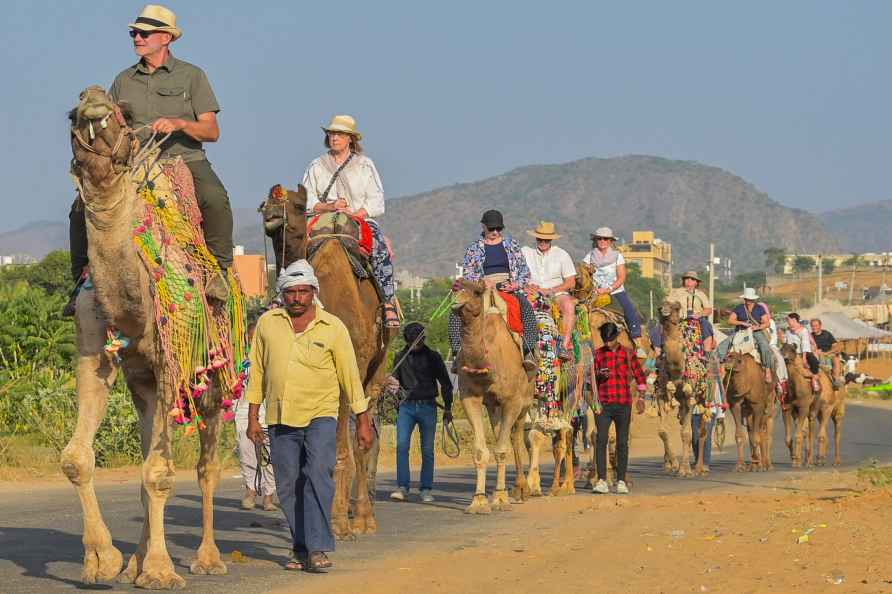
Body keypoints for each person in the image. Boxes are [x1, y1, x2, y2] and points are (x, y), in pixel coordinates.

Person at [66, 4, 234, 315]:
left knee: (216, 198)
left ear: (166, 37)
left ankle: (219, 272)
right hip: (134, 165)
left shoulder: (192, 76)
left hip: (184, 158)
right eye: (134, 33)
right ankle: (81, 280)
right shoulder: (123, 79)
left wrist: (181, 123)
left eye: (144, 33)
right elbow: (113, 129)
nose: (137, 37)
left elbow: (212, 130)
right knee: (80, 208)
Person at [246, 260, 374, 573]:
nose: (297, 298)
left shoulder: (333, 327)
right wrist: (252, 417)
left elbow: (350, 376)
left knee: (317, 475)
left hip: (321, 414)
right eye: (291, 292)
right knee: (288, 486)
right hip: (279, 415)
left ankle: (317, 548)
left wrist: (362, 419)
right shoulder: (267, 323)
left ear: (314, 292)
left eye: (304, 291)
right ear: (283, 293)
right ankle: (300, 546)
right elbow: (258, 372)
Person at [301, 115, 398, 327]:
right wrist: (329, 206)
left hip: (357, 219)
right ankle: (285, 293)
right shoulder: (316, 165)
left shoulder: (365, 165)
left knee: (379, 247)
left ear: (350, 139)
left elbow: (376, 200)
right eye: (331, 133)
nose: (334, 137)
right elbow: (306, 198)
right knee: (295, 245)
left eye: (340, 134)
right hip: (323, 219)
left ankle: (388, 301)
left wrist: (355, 215)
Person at [450, 209, 538, 371]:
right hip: (481, 289)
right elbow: (469, 273)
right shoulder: (474, 248)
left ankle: (528, 350)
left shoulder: (512, 245)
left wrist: (514, 284)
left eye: (498, 228)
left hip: (507, 287)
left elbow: (524, 272)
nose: (495, 232)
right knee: (457, 310)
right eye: (491, 229)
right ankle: (457, 352)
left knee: (525, 306)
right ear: (483, 227)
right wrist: (481, 282)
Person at [388, 322, 454, 503]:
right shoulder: (400, 357)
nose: (415, 344)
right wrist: (391, 388)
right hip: (406, 408)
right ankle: (402, 487)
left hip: (428, 407)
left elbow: (446, 384)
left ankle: (425, 489)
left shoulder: (433, 357)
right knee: (402, 446)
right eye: (412, 341)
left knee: (427, 450)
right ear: (407, 340)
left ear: (424, 339)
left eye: (419, 340)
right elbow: (395, 385)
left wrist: (448, 407)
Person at [591, 322, 647, 495]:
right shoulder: (598, 355)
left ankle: (621, 480)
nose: (607, 343)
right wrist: (599, 377)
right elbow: (590, 379)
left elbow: (640, 376)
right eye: (605, 340)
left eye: (610, 339)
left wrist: (642, 398)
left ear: (616, 337)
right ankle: (601, 480)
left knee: (622, 443)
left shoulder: (628, 354)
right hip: (604, 405)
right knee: (601, 441)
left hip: (623, 404)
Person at [582, 227, 646, 357]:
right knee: (579, 311)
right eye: (599, 238)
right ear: (595, 240)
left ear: (611, 241)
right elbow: (583, 273)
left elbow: (621, 277)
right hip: (594, 292)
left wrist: (608, 289)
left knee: (630, 310)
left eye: (605, 238)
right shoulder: (589, 256)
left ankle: (638, 342)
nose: (602, 241)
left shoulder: (618, 256)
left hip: (615, 291)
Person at [234, 318, 276, 511]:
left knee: (269, 454)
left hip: (269, 411)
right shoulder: (239, 361)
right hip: (243, 411)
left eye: (255, 338)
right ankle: (250, 490)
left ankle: (268, 495)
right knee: (246, 452)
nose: (253, 342)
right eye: (249, 339)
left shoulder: (273, 358)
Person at [521, 221, 578, 354]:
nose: (543, 242)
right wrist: (526, 285)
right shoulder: (525, 252)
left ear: (551, 239)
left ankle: (564, 344)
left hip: (556, 293)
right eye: (540, 238)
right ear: (536, 238)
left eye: (546, 239)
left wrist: (550, 291)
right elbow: (516, 273)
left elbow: (571, 282)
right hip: (532, 293)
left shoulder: (562, 254)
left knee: (569, 305)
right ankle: (524, 344)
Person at [716, 288, 775, 383]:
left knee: (764, 345)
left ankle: (767, 369)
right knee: (724, 344)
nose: (749, 301)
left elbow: (767, 323)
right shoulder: (739, 308)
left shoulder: (759, 308)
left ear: (754, 299)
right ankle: (720, 365)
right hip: (741, 331)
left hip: (756, 331)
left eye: (750, 299)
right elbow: (730, 320)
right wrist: (742, 323)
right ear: (744, 299)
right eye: (747, 299)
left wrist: (757, 327)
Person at [665, 270, 715, 351]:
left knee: (706, 325)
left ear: (696, 282)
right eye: (687, 278)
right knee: (658, 329)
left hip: (697, 320)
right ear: (683, 281)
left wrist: (700, 314)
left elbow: (708, 310)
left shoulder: (700, 294)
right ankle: (656, 354)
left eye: (692, 279)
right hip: (679, 320)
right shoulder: (676, 292)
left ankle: (707, 353)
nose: (689, 280)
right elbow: (667, 304)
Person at [783, 312, 821, 393]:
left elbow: (805, 345)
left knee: (813, 361)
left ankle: (814, 378)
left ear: (794, 320)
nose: (788, 323)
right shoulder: (788, 331)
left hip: (802, 352)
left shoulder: (803, 330)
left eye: (789, 321)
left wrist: (804, 358)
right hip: (790, 354)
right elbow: (786, 342)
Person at [811, 318, 844, 388]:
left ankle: (836, 379)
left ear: (820, 326)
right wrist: (815, 350)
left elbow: (835, 346)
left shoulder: (827, 334)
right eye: (812, 326)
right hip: (817, 355)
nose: (814, 327)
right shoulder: (810, 336)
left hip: (829, 354)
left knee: (836, 359)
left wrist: (827, 353)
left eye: (816, 325)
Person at [690, 403, 717, 471]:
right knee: (695, 436)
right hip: (694, 411)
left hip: (709, 411)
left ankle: (705, 463)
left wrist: (721, 415)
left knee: (706, 436)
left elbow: (718, 396)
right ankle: (698, 460)